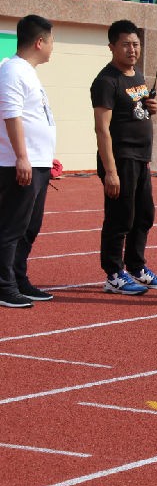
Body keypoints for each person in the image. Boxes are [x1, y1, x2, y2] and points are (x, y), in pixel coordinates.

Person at [91, 19, 157, 296]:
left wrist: (151, 106)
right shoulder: (106, 81)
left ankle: (136, 267)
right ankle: (113, 274)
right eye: (125, 44)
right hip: (121, 158)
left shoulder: (136, 74)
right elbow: (102, 129)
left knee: (144, 214)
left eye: (136, 44)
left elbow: (137, 110)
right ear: (112, 46)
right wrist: (110, 171)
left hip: (140, 158)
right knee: (120, 217)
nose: (132, 49)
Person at [0, 15, 56, 309]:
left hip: (37, 163)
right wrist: (23, 156)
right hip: (18, 164)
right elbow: (12, 115)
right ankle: (4, 285)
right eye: (51, 41)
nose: (52, 47)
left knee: (29, 227)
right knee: (11, 227)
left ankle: (18, 279)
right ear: (39, 42)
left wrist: (45, 156)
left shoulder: (28, 72)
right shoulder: (12, 70)